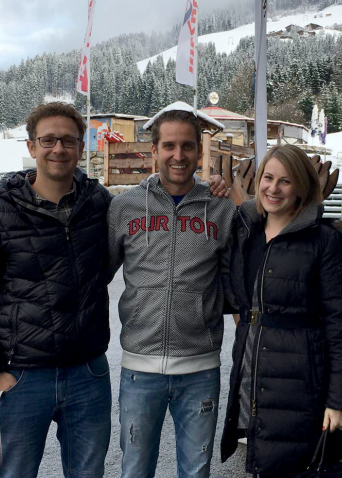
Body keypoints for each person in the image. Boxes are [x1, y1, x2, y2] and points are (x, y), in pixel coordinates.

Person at [0, 102, 112, 478]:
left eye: (68, 140)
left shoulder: (99, 203)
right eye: (48, 140)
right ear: (31, 146)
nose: (59, 148)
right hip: (22, 376)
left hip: (88, 372)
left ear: (81, 147)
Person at [107, 106, 237, 478]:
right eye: (168, 146)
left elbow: (236, 283)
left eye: (187, 146)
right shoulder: (125, 207)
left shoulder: (221, 208)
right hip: (139, 368)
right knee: (135, 470)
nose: (178, 155)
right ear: (154, 150)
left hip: (200, 369)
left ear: (199, 150)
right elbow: (96, 274)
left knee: (195, 472)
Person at [220, 145, 342, 478]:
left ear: (301, 187)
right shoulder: (247, 233)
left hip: (303, 384)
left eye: (285, 181)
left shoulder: (324, 241)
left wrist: (341, 402)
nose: (273, 188)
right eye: (268, 178)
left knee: (300, 467)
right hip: (255, 375)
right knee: (263, 461)